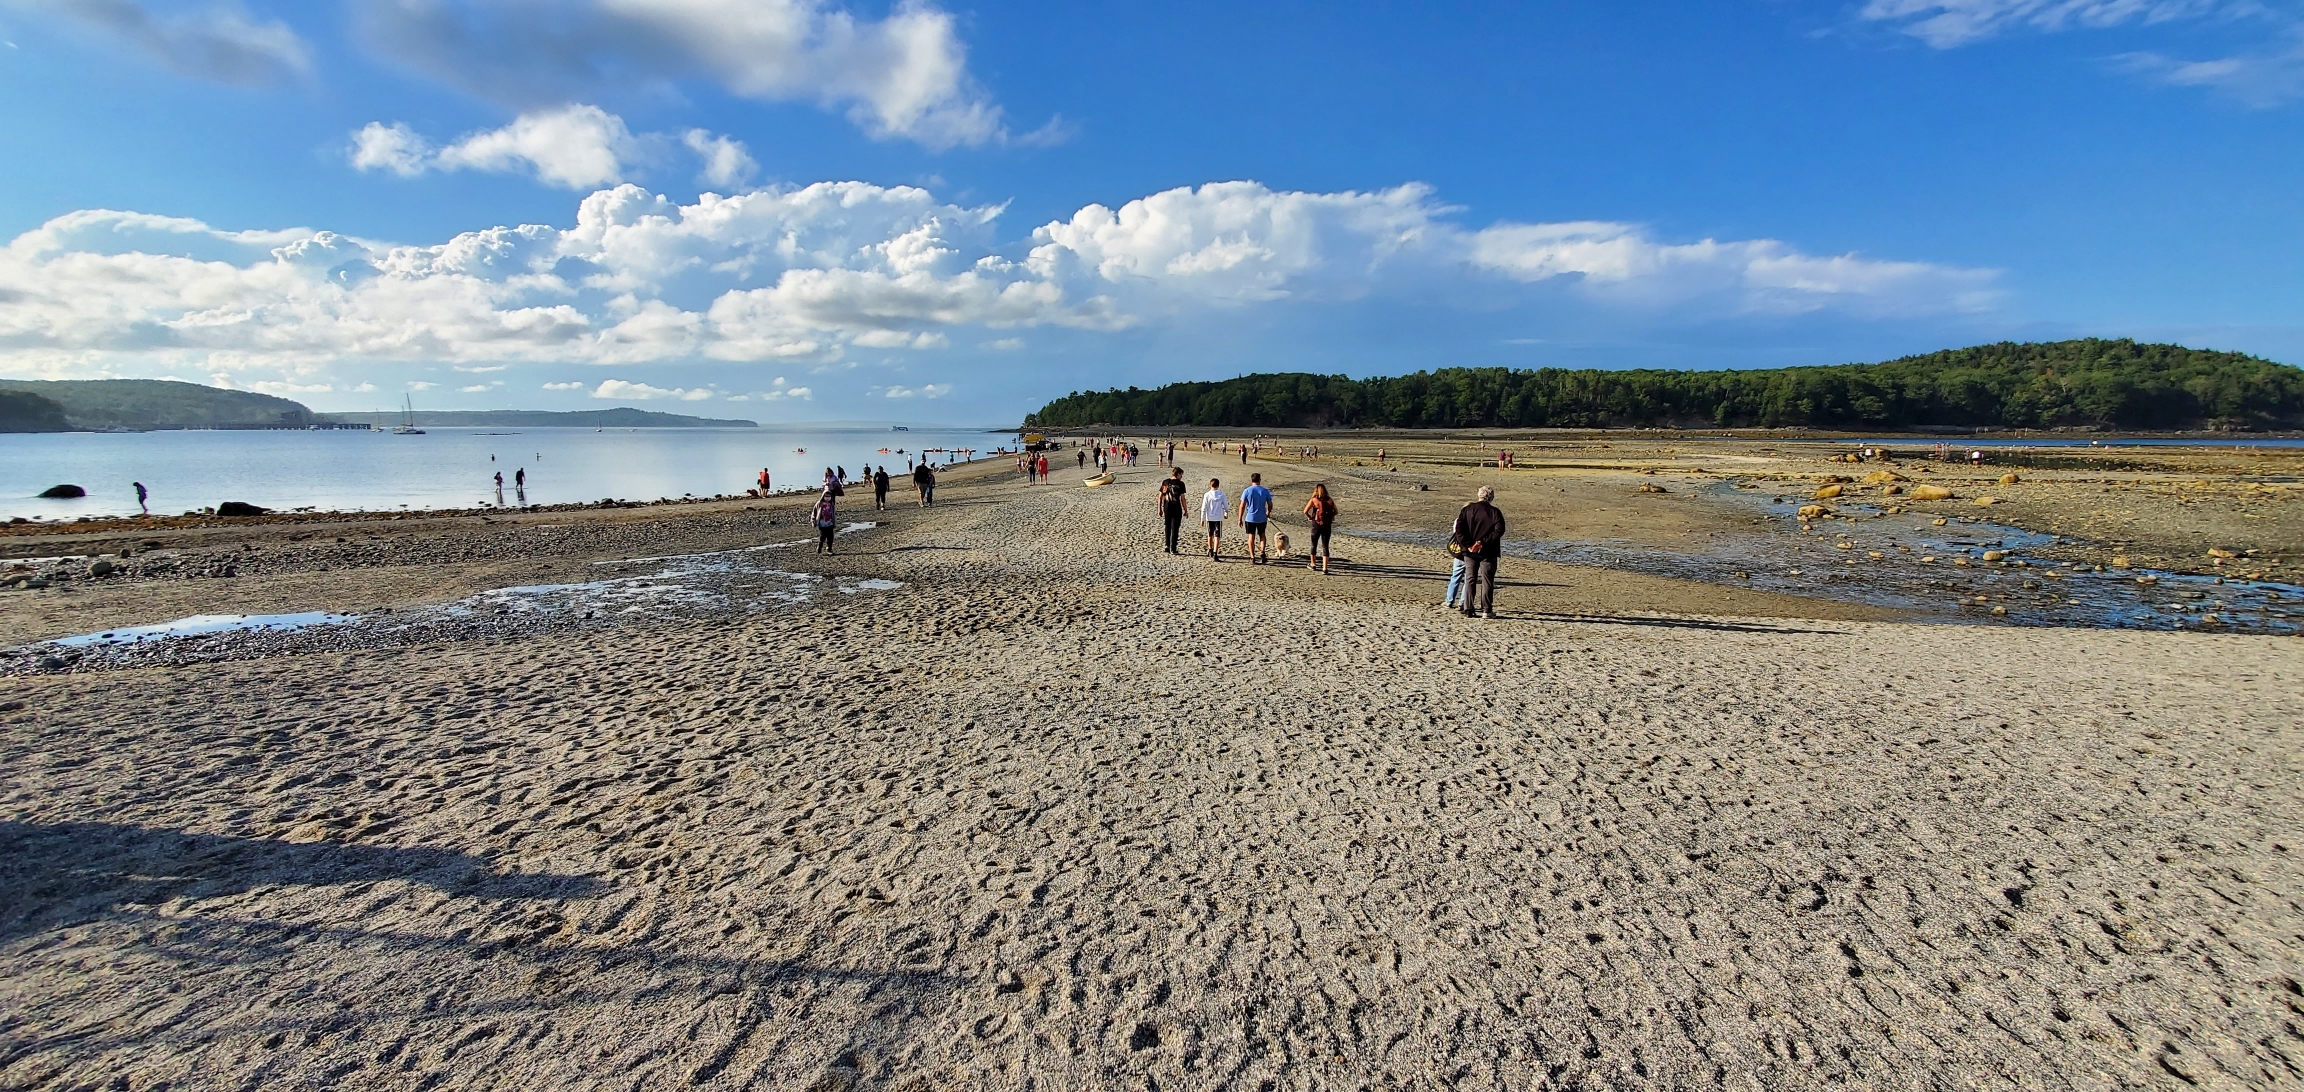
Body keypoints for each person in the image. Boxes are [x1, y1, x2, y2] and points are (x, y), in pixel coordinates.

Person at [1451, 486, 1506, 619]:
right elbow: (1499, 530)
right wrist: (1480, 542)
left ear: (1479, 495)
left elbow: (1459, 529)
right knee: (1487, 580)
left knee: (1470, 579)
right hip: (1488, 551)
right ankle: (1486, 610)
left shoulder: (1467, 510)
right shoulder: (1494, 512)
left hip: (1471, 551)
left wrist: (1470, 544)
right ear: (1491, 497)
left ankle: (1469, 608)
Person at [1238, 472, 1273, 564]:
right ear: (1259, 480)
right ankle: (1262, 551)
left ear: (1251, 480)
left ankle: (1252, 557)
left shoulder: (1247, 491)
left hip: (1250, 517)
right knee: (1262, 535)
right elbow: (1270, 504)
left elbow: (1242, 506)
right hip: (1262, 517)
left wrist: (1240, 518)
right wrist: (1268, 512)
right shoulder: (1265, 491)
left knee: (1251, 537)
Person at [1302, 483, 1336, 574]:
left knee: (1314, 544)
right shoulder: (1330, 500)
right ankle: (1325, 568)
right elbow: (1336, 511)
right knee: (1325, 546)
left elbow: (1305, 511)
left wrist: (1310, 517)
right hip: (1327, 525)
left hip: (1316, 524)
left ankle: (1313, 564)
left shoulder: (1314, 500)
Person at [1157, 468, 1188, 554]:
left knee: (1167, 526)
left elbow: (1160, 496)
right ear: (1178, 474)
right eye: (1181, 475)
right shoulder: (1181, 484)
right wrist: (1186, 510)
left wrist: (1159, 509)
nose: (1181, 476)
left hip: (1167, 508)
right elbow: (1182, 499)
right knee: (1175, 528)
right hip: (1176, 508)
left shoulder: (1165, 482)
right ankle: (1173, 548)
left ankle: (1167, 546)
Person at [1200, 478, 1227, 559]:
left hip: (1209, 517)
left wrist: (1202, 519)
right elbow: (1226, 506)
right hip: (1218, 517)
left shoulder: (1207, 495)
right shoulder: (1221, 495)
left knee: (1210, 534)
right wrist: (1226, 512)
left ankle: (1210, 549)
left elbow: (1204, 507)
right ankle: (1215, 553)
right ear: (1218, 486)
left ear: (1210, 485)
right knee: (1217, 535)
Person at [814, 488, 839, 554]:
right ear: (823, 496)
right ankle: (819, 547)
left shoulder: (831, 504)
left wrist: (834, 522)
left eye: (829, 496)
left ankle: (829, 549)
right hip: (822, 524)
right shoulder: (819, 503)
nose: (827, 498)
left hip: (830, 523)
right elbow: (814, 512)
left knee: (830, 537)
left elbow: (833, 514)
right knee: (823, 536)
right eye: (826, 496)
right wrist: (813, 520)